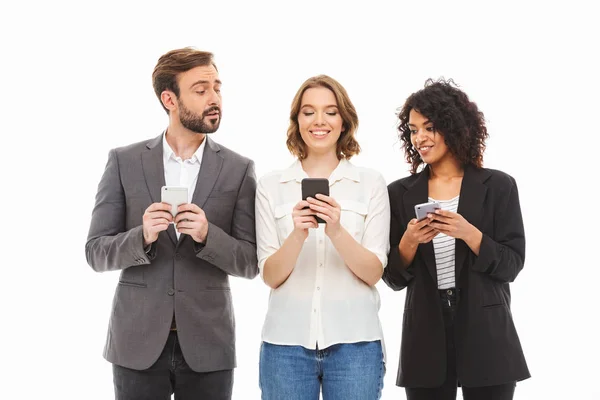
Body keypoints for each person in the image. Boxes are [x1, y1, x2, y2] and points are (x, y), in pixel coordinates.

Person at [85, 47, 258, 400]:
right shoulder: (124, 161)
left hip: (209, 344)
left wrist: (208, 235)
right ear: (170, 99)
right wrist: (142, 237)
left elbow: (251, 261)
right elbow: (95, 251)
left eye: (217, 87)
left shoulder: (239, 169)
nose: (215, 99)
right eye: (200, 89)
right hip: (136, 342)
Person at [383, 78, 530, 400]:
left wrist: (470, 234)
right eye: (412, 129)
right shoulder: (398, 193)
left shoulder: (499, 186)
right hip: (424, 330)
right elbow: (392, 278)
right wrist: (409, 241)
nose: (419, 137)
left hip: (487, 329)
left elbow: (512, 265)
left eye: (429, 127)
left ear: (453, 126)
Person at [255, 75, 390, 400]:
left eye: (330, 112)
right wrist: (298, 234)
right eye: (308, 111)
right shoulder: (271, 185)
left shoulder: (369, 183)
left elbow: (374, 272)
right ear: (296, 121)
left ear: (344, 121)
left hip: (355, 343)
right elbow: (270, 275)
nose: (319, 121)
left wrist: (336, 231)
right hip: (284, 345)